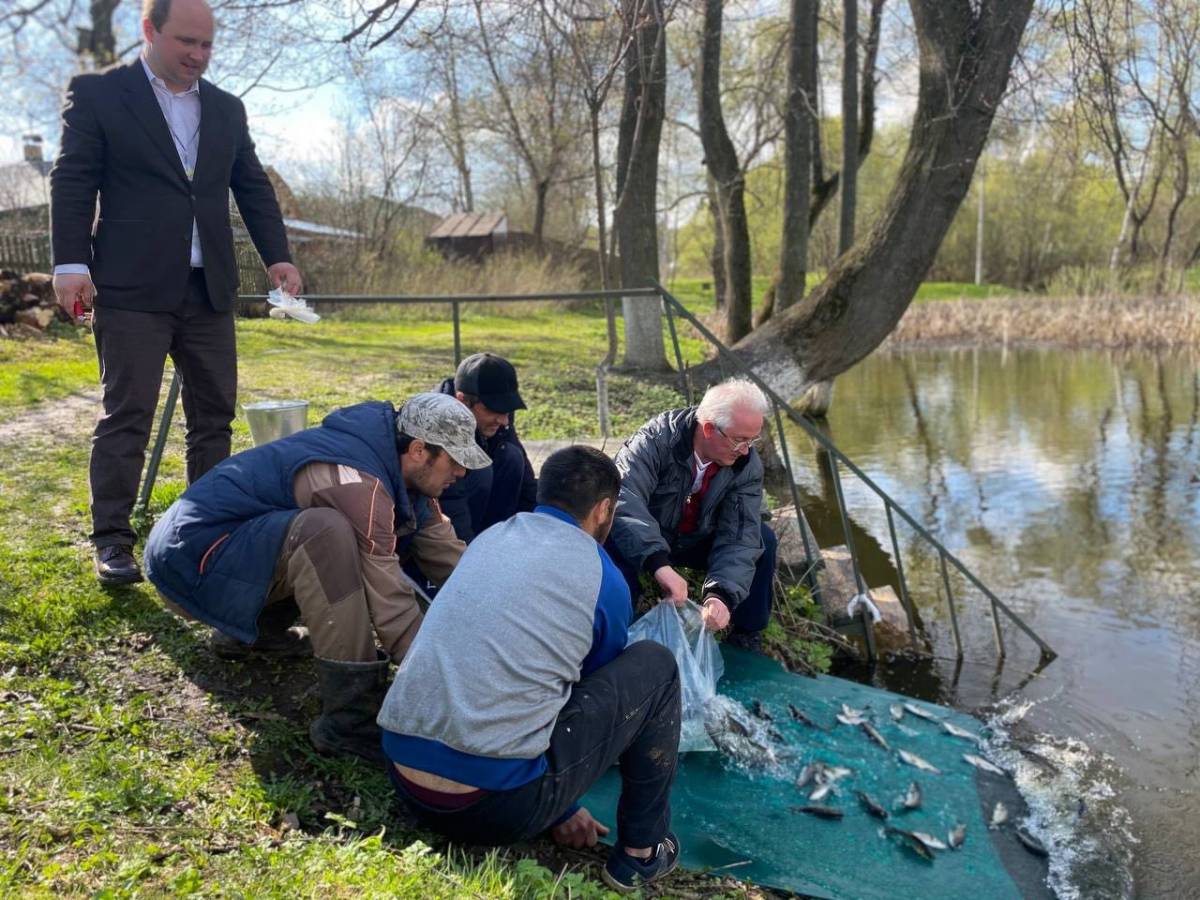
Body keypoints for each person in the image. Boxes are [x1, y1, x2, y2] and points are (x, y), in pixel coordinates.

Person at [50, 0, 303, 586]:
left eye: (207, 45)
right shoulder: (100, 95)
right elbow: (73, 179)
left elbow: (253, 187)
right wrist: (70, 263)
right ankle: (112, 541)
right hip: (131, 285)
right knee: (127, 415)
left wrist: (279, 256)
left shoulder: (225, 109)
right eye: (186, 41)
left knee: (213, 417)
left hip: (208, 288)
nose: (198, 55)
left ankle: (203, 531)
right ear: (149, 31)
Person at [378, 446, 682, 894]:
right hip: (494, 805)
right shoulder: (602, 575)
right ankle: (641, 852)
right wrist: (559, 805)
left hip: (403, 774)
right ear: (603, 509)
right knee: (655, 665)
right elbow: (587, 694)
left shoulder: (490, 537)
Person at [144, 393, 489, 762]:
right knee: (324, 534)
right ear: (420, 451)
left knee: (322, 534)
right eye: (455, 461)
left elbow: (449, 557)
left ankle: (254, 633)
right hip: (190, 564)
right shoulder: (358, 484)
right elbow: (391, 604)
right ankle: (349, 721)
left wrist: (505, 617)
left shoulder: (401, 470)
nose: (462, 473)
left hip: (224, 554)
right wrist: (445, 684)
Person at [606, 378, 778, 651]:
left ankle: (746, 634)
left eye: (752, 440)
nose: (746, 449)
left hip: (697, 537)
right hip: (651, 535)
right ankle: (619, 626)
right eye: (739, 440)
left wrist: (720, 594)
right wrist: (659, 565)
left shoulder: (746, 463)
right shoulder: (656, 440)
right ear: (709, 429)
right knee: (612, 538)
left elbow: (740, 532)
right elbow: (625, 502)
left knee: (762, 539)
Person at [435, 352, 537, 542]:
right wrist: (470, 556)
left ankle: (500, 540)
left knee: (513, 457)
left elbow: (527, 482)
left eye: (507, 410)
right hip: (442, 523)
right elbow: (450, 502)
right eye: (494, 410)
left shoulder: (499, 420)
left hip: (479, 510)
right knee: (481, 469)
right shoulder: (438, 425)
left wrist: (541, 527)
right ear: (462, 400)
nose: (504, 420)